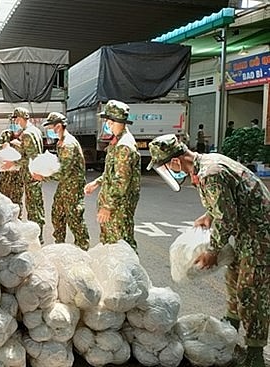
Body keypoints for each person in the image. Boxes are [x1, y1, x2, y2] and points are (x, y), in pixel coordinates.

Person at [146, 134, 269, 367]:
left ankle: (255, 351)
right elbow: (227, 203)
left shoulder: (210, 173)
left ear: (175, 162)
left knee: (252, 292)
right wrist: (209, 215)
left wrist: (212, 250)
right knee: (234, 279)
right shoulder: (206, 163)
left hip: (260, 235)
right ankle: (231, 327)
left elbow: (227, 217)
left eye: (165, 167)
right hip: (246, 232)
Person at [84, 100, 141, 250]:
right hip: (115, 205)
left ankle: (129, 273)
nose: (107, 124)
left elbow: (121, 180)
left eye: (109, 121)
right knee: (110, 244)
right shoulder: (118, 142)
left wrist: (108, 207)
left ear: (118, 122)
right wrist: (97, 182)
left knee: (121, 246)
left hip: (118, 207)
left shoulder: (124, 146)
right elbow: (112, 172)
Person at [34, 112, 90, 249]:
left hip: (73, 187)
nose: (49, 131)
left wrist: (43, 176)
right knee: (57, 215)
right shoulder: (61, 142)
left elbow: (64, 172)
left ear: (58, 126)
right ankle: (60, 246)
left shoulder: (68, 144)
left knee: (74, 218)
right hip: (65, 185)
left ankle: (83, 247)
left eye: (50, 127)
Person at [6, 107, 45, 238]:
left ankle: (37, 237)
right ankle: (38, 235)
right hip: (36, 173)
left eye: (16, 119)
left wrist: (13, 163)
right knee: (36, 206)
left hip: (31, 175)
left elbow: (30, 157)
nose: (16, 122)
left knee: (34, 209)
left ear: (22, 118)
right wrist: (19, 144)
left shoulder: (28, 133)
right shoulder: (36, 131)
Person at [0, 118, 23, 209]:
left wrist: (20, 145)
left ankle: (18, 219)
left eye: (17, 122)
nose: (15, 124)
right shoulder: (6, 134)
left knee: (17, 200)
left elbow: (28, 154)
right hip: (5, 173)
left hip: (18, 174)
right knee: (4, 198)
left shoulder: (25, 135)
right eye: (13, 122)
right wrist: (3, 146)